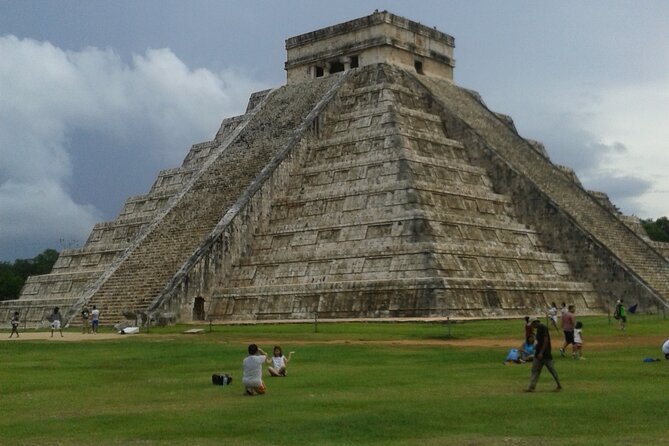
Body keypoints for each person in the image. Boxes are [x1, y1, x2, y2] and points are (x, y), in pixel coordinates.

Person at [525, 317, 561, 392]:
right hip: (538, 353)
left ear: (535, 322)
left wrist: (541, 352)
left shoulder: (543, 328)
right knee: (535, 370)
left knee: (551, 369)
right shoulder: (538, 329)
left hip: (545, 354)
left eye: (532, 324)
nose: (532, 326)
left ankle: (559, 384)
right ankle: (531, 387)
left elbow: (546, 340)